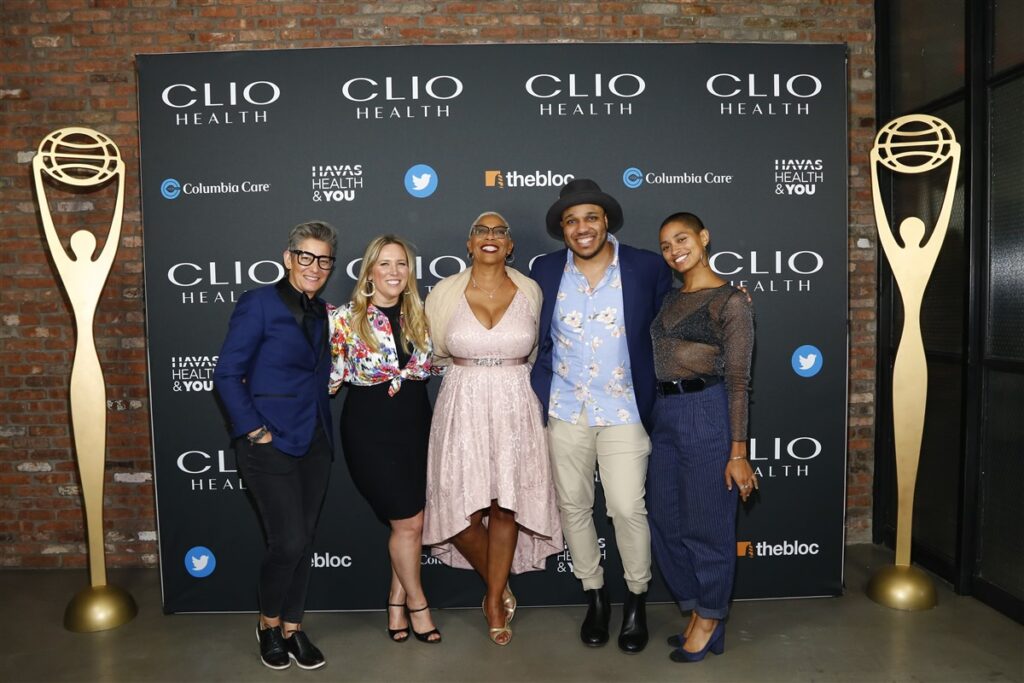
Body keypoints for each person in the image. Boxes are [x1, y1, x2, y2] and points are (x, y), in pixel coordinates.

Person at [530, 178, 672, 653]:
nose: (582, 228)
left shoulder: (646, 266)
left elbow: (672, 323)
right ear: (562, 229)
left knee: (627, 507)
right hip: (566, 408)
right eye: (571, 221)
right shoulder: (545, 269)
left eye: (590, 217)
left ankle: (635, 599)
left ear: (606, 220)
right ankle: (595, 596)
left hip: (625, 408)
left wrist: (725, 301)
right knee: (573, 506)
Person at [422, 211, 563, 646]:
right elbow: (435, 348)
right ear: (469, 244)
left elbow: (539, 348)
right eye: (481, 231)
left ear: (509, 245)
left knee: (507, 506)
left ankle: (494, 600)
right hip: (461, 400)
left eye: (499, 232)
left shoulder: (530, 290)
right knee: (459, 511)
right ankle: (498, 586)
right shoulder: (444, 292)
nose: (490, 237)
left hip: (516, 401)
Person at [212, 220, 337, 671]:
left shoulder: (324, 312)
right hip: (269, 443)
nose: (314, 266)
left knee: (305, 541)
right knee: (288, 541)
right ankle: (268, 624)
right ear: (288, 258)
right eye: (306, 256)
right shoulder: (258, 304)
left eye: (324, 260)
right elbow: (227, 374)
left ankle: (292, 627)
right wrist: (254, 431)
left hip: (315, 441)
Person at [647, 212, 756, 663]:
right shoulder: (669, 297)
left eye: (682, 239)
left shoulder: (731, 302)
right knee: (665, 519)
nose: (674, 250)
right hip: (665, 414)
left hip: (706, 411)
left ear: (704, 237)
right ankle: (698, 607)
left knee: (707, 523)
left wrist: (738, 452)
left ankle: (710, 617)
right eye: (666, 245)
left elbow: (739, 381)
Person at [327, 235, 440, 644]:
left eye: (402, 263)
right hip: (369, 431)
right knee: (408, 522)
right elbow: (327, 377)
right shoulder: (345, 318)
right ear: (370, 271)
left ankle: (395, 601)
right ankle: (419, 605)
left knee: (413, 523)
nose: (394, 271)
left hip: (416, 426)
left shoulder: (421, 315)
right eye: (385, 264)